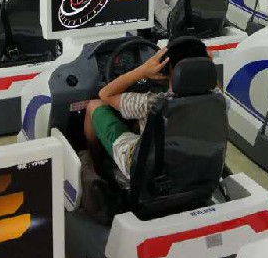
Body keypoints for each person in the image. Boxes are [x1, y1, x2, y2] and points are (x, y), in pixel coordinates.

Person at [84, 37, 210, 179]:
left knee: (94, 105)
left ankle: (97, 167)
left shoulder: (151, 104)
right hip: (190, 166)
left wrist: (142, 71)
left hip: (144, 169)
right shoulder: (220, 100)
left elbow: (105, 94)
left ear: (167, 69)